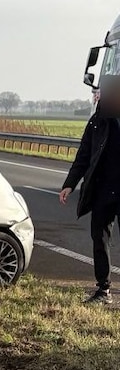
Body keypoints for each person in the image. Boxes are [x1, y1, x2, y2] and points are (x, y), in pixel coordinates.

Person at [58, 109, 119, 305]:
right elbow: (84, 154)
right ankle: (104, 290)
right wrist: (69, 183)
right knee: (99, 238)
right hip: (103, 188)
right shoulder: (98, 119)